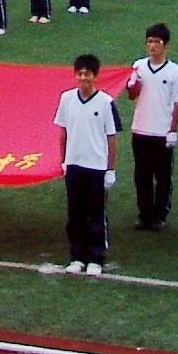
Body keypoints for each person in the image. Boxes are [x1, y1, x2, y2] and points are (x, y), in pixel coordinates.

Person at [54, 53, 121, 276]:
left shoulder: (105, 103)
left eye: (87, 74)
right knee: (75, 214)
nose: (83, 78)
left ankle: (96, 257)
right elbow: (62, 132)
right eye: (80, 73)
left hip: (96, 167)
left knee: (95, 214)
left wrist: (110, 170)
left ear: (95, 76)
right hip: (74, 165)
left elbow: (111, 138)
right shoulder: (66, 99)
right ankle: (77, 256)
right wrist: (64, 160)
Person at [122, 25, 178, 231]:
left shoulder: (175, 72)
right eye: (149, 41)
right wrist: (134, 84)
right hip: (141, 129)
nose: (152, 46)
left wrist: (172, 130)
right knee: (142, 175)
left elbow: (177, 102)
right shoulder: (138, 66)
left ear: (164, 45)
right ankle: (144, 213)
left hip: (161, 131)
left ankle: (160, 214)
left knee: (163, 176)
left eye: (156, 42)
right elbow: (131, 95)